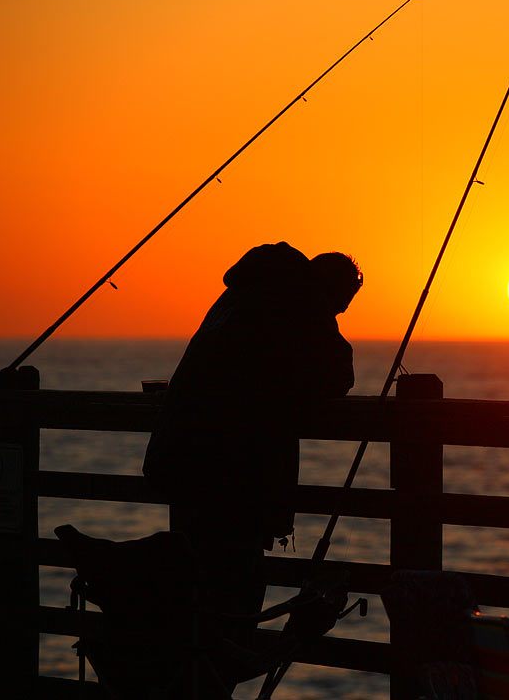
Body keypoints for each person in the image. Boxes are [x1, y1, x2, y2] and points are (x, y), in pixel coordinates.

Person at [142, 241, 361, 691]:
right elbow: (335, 376)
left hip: (184, 463)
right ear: (328, 292)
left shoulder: (243, 296)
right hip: (232, 477)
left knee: (196, 596)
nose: (335, 316)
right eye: (338, 307)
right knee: (230, 605)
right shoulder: (296, 304)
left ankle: (190, 683)